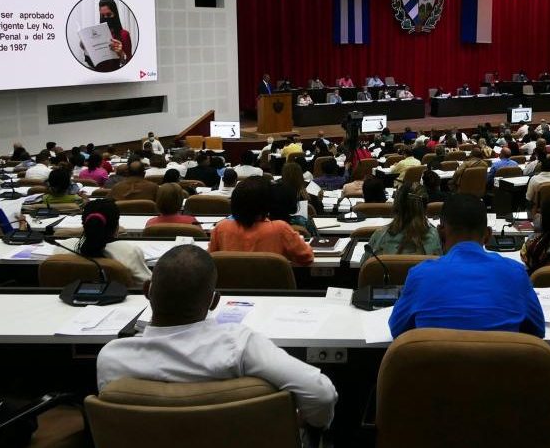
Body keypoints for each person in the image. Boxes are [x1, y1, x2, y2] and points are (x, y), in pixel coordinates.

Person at [96, 245, 337, 426]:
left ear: (147, 291)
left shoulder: (111, 358)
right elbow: (321, 395)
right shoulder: (240, 346)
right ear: (214, 301)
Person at [389, 194, 544, 338]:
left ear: (440, 232)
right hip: (500, 366)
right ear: (488, 235)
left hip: (436, 366)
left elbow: (397, 329)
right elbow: (537, 330)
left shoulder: (420, 275)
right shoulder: (516, 273)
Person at [208, 178, 314, 266]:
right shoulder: (280, 229)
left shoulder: (221, 227)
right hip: (273, 289)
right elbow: (307, 257)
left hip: (229, 290)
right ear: (267, 203)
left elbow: (210, 260)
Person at [52, 199, 152, 284]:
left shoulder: (63, 247)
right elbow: (148, 286)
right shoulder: (129, 251)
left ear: (84, 225)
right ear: (116, 227)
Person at [367, 184, 442, 256]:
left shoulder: (379, 236)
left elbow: (365, 267)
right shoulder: (435, 237)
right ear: (425, 209)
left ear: (395, 207)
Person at [84, 0, 132, 71]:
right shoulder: (96, 35)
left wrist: (121, 53)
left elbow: (129, 64)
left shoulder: (124, 34)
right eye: (103, 16)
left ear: (115, 14)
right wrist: (86, 49)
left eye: (109, 15)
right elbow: (92, 63)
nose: (105, 18)